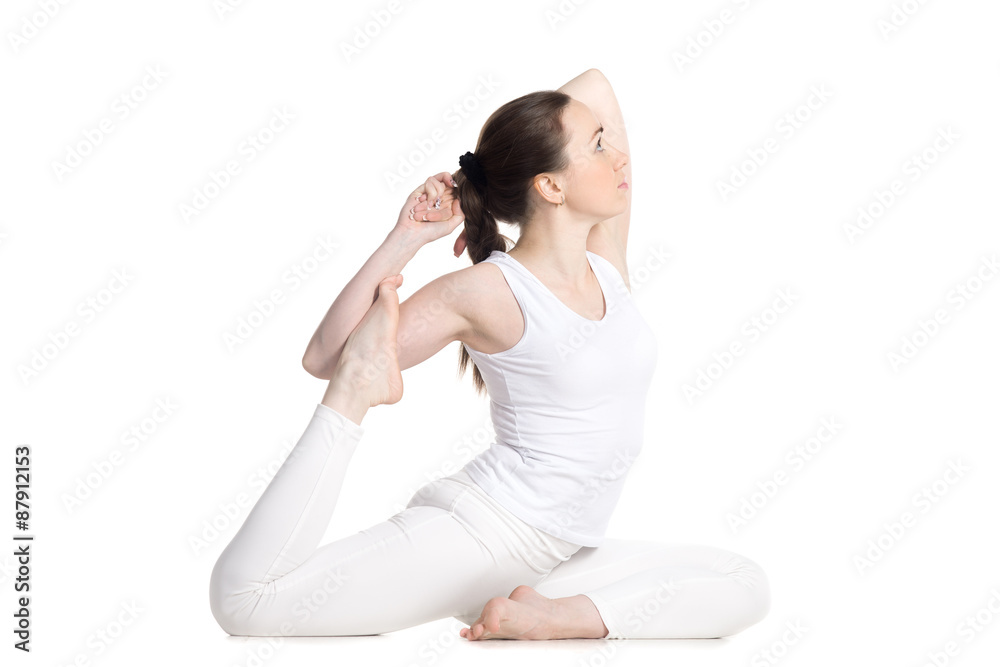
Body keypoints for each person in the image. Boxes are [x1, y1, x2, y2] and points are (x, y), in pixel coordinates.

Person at [209, 69, 770, 641]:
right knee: (246, 603)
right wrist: (410, 235)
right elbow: (325, 357)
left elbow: (595, 86)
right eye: (599, 146)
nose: (621, 157)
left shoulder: (604, 261)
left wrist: (480, 172)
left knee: (743, 582)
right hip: (483, 537)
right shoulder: (489, 291)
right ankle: (358, 397)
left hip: (557, 556)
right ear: (550, 187)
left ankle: (555, 617)